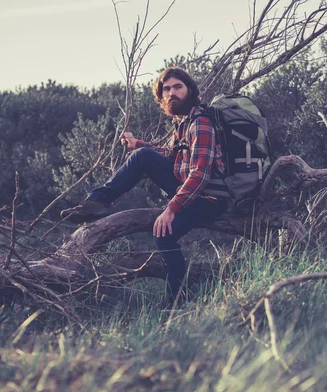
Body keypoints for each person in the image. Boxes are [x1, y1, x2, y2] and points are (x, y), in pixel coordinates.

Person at [60, 67, 227, 299]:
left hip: (210, 198)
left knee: (163, 233)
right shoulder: (182, 123)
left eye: (177, 87)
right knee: (142, 156)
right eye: (166, 89)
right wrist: (138, 144)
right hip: (190, 191)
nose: (171, 93)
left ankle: (177, 299)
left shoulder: (200, 123)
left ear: (190, 90)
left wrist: (170, 210)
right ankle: (96, 203)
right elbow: (171, 154)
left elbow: (200, 174)